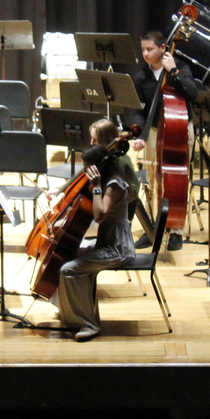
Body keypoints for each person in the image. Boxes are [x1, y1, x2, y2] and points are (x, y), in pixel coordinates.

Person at [55, 143, 137, 342]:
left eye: (87, 167)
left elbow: (99, 216)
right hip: (106, 242)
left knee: (68, 269)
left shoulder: (113, 185)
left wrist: (97, 186)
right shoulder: (107, 181)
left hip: (117, 249)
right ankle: (73, 315)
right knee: (66, 254)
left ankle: (89, 324)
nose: (84, 171)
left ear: (98, 167)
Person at [131, 30, 199, 251]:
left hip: (179, 129)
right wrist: (140, 136)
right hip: (152, 131)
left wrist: (174, 72)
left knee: (177, 178)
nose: (145, 54)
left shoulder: (179, 67)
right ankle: (153, 228)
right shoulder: (141, 77)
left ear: (163, 48)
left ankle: (176, 230)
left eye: (150, 49)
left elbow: (192, 93)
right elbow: (139, 110)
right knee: (152, 178)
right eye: (143, 50)